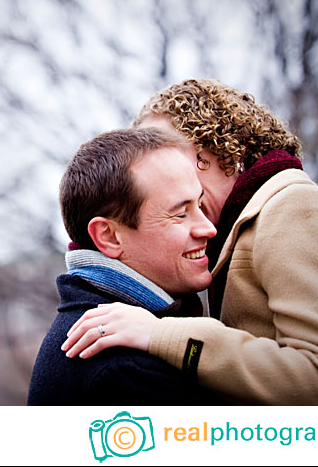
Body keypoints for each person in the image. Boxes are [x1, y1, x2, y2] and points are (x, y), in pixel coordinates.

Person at [62, 78, 318, 405]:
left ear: (226, 148)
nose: (167, 171)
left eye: (170, 150)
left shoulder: (294, 209)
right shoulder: (241, 229)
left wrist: (162, 336)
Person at [27, 128, 224, 405]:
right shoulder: (124, 370)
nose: (208, 228)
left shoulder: (122, 334)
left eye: (200, 205)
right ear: (109, 236)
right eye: (180, 213)